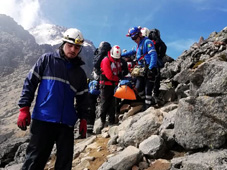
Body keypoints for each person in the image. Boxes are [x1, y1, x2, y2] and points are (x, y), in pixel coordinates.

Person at [17, 28, 88, 170]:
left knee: (64, 164)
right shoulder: (47, 60)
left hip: (66, 124)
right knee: (34, 161)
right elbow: (30, 82)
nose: (73, 49)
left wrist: (84, 119)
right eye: (70, 45)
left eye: (77, 47)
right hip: (43, 120)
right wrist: (24, 108)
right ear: (63, 43)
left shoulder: (80, 73)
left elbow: (83, 98)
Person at [122, 26, 158, 110]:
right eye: (132, 38)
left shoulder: (147, 42)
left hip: (149, 68)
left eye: (135, 37)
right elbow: (131, 52)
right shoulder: (138, 45)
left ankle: (148, 105)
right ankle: (145, 100)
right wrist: (121, 55)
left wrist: (151, 67)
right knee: (138, 87)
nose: (134, 39)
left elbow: (153, 54)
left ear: (139, 34)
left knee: (148, 88)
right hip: (141, 69)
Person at [98, 45, 123, 132]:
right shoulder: (106, 60)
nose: (116, 59)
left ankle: (111, 121)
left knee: (113, 103)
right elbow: (109, 75)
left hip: (113, 85)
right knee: (104, 103)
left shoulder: (117, 61)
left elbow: (118, 71)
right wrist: (118, 79)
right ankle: (102, 121)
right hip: (105, 85)